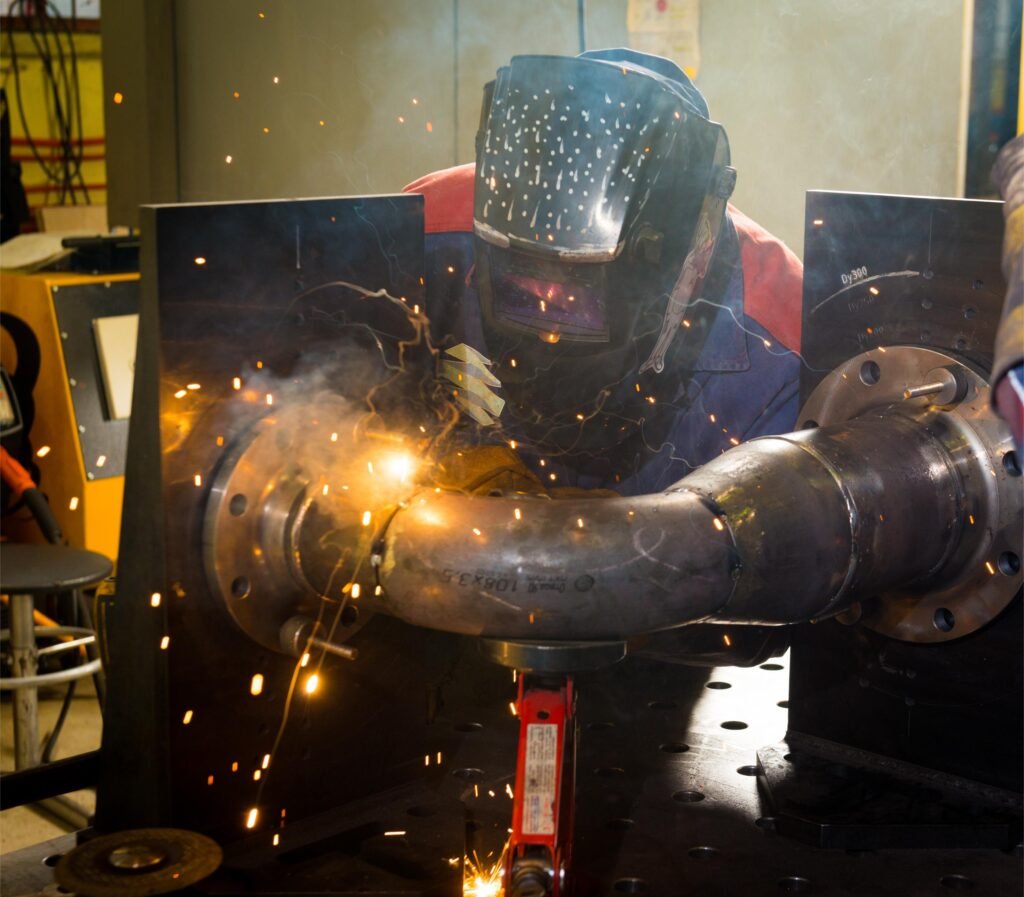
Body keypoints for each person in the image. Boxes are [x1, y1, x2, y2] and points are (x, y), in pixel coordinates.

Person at [405, 49, 803, 495]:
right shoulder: (423, 231)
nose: (550, 334)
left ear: (688, 257)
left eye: (577, 301)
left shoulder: (782, 349)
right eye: (521, 290)